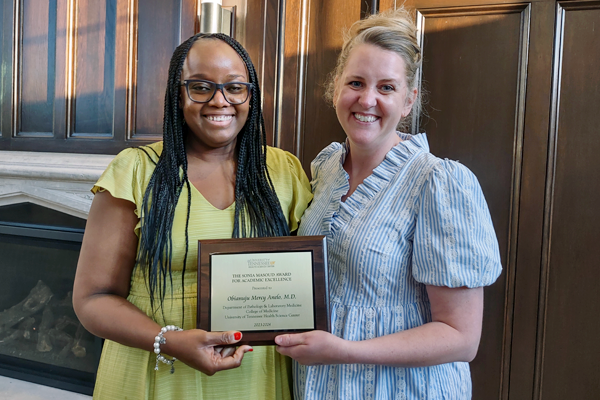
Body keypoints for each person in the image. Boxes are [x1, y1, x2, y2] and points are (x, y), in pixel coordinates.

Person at [275, 8, 502, 399]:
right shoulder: (325, 167)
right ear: (335, 89)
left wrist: (345, 352)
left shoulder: (440, 183)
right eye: (356, 82)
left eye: (386, 87)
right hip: (323, 386)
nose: (367, 99)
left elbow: (461, 338)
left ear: (409, 101)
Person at [73, 33, 312, 400]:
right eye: (201, 87)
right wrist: (170, 341)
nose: (220, 100)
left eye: (235, 87)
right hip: (155, 376)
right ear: (177, 94)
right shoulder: (136, 171)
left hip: (256, 381)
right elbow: (92, 299)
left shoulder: (283, 171)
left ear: (251, 94)